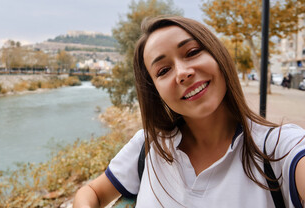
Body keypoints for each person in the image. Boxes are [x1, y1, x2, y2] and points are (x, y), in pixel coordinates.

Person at [73, 16, 305, 207]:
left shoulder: (281, 149)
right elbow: (91, 192)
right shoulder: (149, 145)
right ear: (155, 91)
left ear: (218, 55)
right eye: (163, 70)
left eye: (192, 52)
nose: (183, 73)